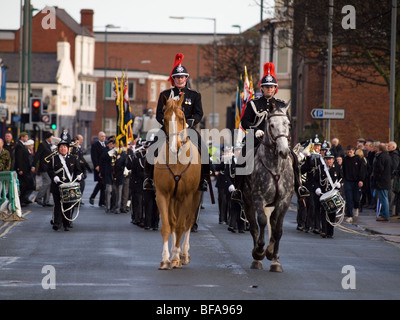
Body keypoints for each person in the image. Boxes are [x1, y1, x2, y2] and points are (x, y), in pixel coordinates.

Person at [231, 62, 310, 202]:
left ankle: (299, 187)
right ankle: (238, 189)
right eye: (266, 87)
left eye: (271, 87)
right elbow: (244, 122)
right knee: (242, 158)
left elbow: (286, 124)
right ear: (262, 89)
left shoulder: (281, 105)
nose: (269, 89)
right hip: (256, 139)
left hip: (277, 139)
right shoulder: (253, 104)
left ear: (275, 89)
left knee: (294, 158)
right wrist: (254, 131)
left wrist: (285, 137)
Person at [143, 53, 209, 192]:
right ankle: (148, 178)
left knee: (203, 149)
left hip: (187, 129)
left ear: (186, 78)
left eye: (182, 77)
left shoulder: (194, 95)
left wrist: (188, 123)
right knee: (153, 147)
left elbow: (199, 113)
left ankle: (203, 179)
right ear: (173, 79)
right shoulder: (165, 95)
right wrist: (167, 123)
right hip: (168, 129)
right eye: (177, 77)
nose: (180, 79)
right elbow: (159, 114)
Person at [47, 136, 83, 231]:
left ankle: (67, 223)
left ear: (68, 149)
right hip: (57, 185)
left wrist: (79, 176)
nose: (63, 149)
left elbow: (78, 170)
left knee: (68, 204)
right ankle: (57, 223)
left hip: (69, 185)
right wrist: (54, 176)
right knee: (58, 204)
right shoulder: (54, 158)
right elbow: (49, 169)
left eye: (65, 147)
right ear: (58, 149)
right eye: (61, 147)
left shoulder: (73, 158)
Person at [314, 150, 343, 238]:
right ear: (324, 160)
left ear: (333, 160)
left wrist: (339, 184)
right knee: (323, 212)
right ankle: (324, 231)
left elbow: (342, 178)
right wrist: (317, 188)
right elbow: (315, 180)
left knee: (332, 213)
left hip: (332, 193)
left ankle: (330, 232)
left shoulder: (337, 167)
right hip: (323, 193)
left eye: (330, 159)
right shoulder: (320, 168)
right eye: (327, 159)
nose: (329, 161)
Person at [342, 145, 366, 223]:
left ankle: (356, 208)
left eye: (351, 152)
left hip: (356, 181)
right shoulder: (345, 160)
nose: (349, 153)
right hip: (348, 181)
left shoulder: (358, 159)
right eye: (348, 152)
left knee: (356, 198)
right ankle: (349, 215)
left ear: (354, 151)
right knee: (349, 198)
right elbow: (343, 170)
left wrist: (361, 180)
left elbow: (362, 170)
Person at [33, 131, 53, 207]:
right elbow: (37, 155)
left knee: (48, 183)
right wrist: (33, 165)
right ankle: (38, 197)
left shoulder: (50, 145)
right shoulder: (42, 144)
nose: (52, 139)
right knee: (47, 182)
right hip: (44, 167)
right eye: (51, 137)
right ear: (48, 138)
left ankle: (46, 201)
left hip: (48, 167)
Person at [372, 143, 392, 221]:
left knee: (383, 198)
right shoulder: (388, 156)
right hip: (386, 179)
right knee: (384, 197)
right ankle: (384, 213)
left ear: (379, 149)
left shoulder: (381, 157)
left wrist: (377, 178)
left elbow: (379, 169)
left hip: (382, 181)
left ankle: (385, 215)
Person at [71, 134, 92, 205]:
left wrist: (87, 169)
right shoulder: (73, 150)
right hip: (74, 171)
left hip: (79, 170)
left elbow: (83, 160)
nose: (82, 141)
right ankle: (75, 200)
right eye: (80, 140)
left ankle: (78, 199)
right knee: (76, 186)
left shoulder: (79, 149)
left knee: (81, 185)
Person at [89, 131, 107, 206]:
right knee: (101, 183)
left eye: (104, 136)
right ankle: (92, 197)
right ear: (99, 137)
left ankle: (101, 201)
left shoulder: (106, 145)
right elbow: (94, 156)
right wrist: (96, 166)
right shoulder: (95, 145)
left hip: (105, 167)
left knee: (103, 184)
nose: (103, 138)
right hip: (99, 167)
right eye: (102, 136)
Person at [388, 141, 399, 216]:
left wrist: (392, 174)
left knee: (392, 195)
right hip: (391, 177)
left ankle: (393, 211)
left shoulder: (394, 156)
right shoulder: (390, 155)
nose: (387, 147)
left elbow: (395, 166)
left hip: (393, 177)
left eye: (389, 146)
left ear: (393, 147)